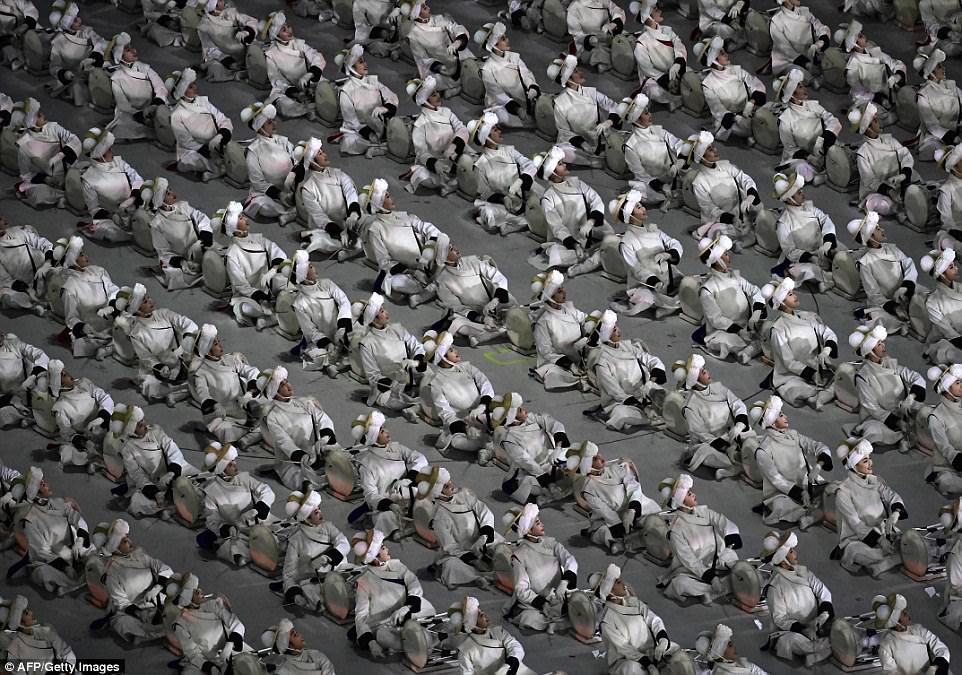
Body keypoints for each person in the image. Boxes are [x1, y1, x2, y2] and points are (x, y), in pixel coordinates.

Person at [657, 474, 742, 604]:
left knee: (733, 559)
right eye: (688, 494)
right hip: (698, 568)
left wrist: (731, 535)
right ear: (680, 501)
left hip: (719, 558)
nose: (693, 494)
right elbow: (688, 559)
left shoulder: (702, 512)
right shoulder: (676, 530)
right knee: (681, 584)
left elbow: (721, 520)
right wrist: (709, 576)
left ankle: (712, 591)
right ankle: (720, 588)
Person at [351, 529, 437, 658]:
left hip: (407, 611)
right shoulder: (364, 582)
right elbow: (361, 615)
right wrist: (370, 642)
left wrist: (407, 607)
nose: (387, 549)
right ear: (375, 557)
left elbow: (413, 582)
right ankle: (419, 646)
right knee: (382, 636)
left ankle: (419, 642)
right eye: (382, 548)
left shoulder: (397, 565)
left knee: (429, 613)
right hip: (386, 622)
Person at [750, 395, 832, 528]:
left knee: (834, 490)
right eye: (781, 415)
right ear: (771, 422)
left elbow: (818, 446)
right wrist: (800, 493)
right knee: (780, 506)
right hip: (785, 493)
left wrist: (818, 466)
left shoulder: (793, 435)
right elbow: (777, 480)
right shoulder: (763, 451)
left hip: (810, 484)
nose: (786, 417)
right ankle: (815, 513)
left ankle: (815, 513)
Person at [832, 438, 906, 577]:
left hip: (882, 530)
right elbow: (857, 526)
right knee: (866, 553)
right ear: (854, 466)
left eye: (870, 458)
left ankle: (889, 561)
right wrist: (880, 541)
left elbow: (892, 496)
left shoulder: (875, 480)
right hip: (856, 539)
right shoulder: (844, 492)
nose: (871, 463)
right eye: (865, 461)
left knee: (906, 542)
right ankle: (889, 561)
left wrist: (896, 513)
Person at [846, 324, 925, 453]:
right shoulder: (863, 376)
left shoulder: (890, 364)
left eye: (882, 343)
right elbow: (873, 408)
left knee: (927, 416)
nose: (884, 346)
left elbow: (917, 377)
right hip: (878, 418)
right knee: (874, 432)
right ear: (870, 351)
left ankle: (906, 434)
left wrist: (911, 397)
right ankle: (903, 436)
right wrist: (897, 422)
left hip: (901, 409)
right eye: (879, 345)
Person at [361, 179, 440, 306]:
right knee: (396, 283)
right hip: (408, 271)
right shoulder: (376, 228)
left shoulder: (403, 216)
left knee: (443, 243)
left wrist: (430, 246)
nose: (391, 198)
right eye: (387, 196)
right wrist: (410, 271)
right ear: (379, 202)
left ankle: (425, 292)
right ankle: (427, 290)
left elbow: (425, 227)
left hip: (427, 260)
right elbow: (384, 261)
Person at [674, 355, 756, 480]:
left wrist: (739, 425)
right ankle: (734, 467)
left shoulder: (719, 387)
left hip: (734, 432)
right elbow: (701, 434)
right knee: (707, 455)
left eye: (705, 369)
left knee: (751, 445)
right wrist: (726, 448)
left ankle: (736, 466)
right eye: (702, 372)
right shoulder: (691, 405)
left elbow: (737, 404)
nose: (707, 372)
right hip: (713, 442)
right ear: (695, 379)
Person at [91, 518, 172, 643]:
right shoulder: (111, 572)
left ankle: (159, 630)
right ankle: (162, 632)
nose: (130, 542)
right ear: (115, 547)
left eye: (128, 537)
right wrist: (140, 614)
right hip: (136, 609)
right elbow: (121, 603)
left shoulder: (139, 554)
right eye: (124, 541)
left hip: (156, 598)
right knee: (121, 623)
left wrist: (158, 587)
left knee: (176, 589)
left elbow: (164, 569)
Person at [533, 146, 611, 277]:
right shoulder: (549, 197)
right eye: (559, 164)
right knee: (556, 256)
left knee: (610, 236)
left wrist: (591, 222)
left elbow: (596, 199)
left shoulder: (576, 183)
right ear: (552, 172)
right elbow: (557, 227)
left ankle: (588, 255)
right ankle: (589, 258)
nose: (564, 164)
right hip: (568, 240)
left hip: (588, 230)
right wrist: (574, 245)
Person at [762, 276, 838, 409]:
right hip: (793, 374)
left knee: (843, 377)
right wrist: (811, 374)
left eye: (793, 292)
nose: (795, 295)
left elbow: (826, 332)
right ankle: (817, 396)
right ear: (781, 302)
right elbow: (788, 362)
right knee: (796, 391)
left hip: (817, 367)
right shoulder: (778, 329)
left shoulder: (806, 316)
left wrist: (827, 350)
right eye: (790, 294)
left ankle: (819, 394)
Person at [196, 442, 277, 566]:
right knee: (237, 551)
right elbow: (211, 520)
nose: (235, 465)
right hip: (240, 530)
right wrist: (227, 529)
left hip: (262, 521)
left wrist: (258, 509)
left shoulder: (244, 478)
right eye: (230, 464)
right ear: (222, 470)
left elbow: (266, 490)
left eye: (234, 461)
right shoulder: (212, 492)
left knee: (283, 535)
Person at [585, 309, 667, 430]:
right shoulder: (602, 361)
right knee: (622, 415)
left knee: (667, 399)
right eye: (614, 330)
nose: (619, 331)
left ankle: (651, 413)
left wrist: (652, 381)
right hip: (621, 401)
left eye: (617, 327)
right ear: (606, 334)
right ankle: (646, 416)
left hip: (643, 391)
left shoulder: (626, 345)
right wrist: (641, 406)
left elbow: (650, 359)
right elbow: (614, 391)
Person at [761, 531, 833, 666]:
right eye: (791, 551)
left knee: (837, 627)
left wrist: (823, 616)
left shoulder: (803, 572)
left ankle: (818, 650)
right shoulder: (775, 587)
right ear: (783, 561)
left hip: (816, 624)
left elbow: (823, 593)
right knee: (792, 640)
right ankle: (820, 649)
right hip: (794, 631)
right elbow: (780, 618)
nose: (795, 554)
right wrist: (803, 629)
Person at [116, 283, 197, 403]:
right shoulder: (136, 333)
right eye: (144, 301)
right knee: (150, 386)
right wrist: (158, 367)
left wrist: (187, 341)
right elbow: (145, 357)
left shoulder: (163, 313)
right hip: (161, 365)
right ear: (137, 309)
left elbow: (186, 323)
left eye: (148, 297)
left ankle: (180, 390)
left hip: (181, 355)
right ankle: (181, 391)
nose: (150, 301)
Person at [504, 503, 579, 633]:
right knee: (531, 619)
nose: (542, 524)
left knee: (587, 605)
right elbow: (521, 589)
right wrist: (542, 603)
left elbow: (570, 560)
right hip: (537, 601)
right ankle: (556, 620)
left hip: (558, 594)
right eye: (537, 523)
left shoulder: (551, 543)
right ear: (528, 530)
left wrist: (564, 582)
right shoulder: (519, 556)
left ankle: (558, 618)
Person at [352, 410, 428, 538]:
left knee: (431, 484)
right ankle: (405, 526)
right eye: (382, 431)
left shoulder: (396, 447)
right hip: (389, 501)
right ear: (374, 438)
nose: (387, 432)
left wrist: (408, 479)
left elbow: (421, 459)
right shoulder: (367, 464)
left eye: (385, 429)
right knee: (385, 517)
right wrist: (390, 505)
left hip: (407, 491)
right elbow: (371, 494)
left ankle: (407, 525)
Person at [260, 366, 338, 490]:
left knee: (342, 461)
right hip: (294, 459)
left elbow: (322, 418)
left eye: (287, 381)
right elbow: (284, 442)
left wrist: (324, 437)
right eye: (282, 385)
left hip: (318, 448)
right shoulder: (273, 417)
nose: (289, 386)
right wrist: (301, 456)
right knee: (301, 479)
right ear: (275, 392)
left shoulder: (304, 402)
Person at [608, 190, 682, 317]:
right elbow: (636, 268)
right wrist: (654, 281)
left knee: (689, 285)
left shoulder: (653, 230)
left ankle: (668, 305)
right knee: (647, 299)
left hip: (667, 276)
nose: (643, 208)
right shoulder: (627, 242)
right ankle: (669, 306)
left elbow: (674, 243)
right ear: (629, 215)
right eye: (638, 207)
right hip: (646, 285)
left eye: (641, 205)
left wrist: (669, 254)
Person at [18, 467, 91, 595]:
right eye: (41, 484)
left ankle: (73, 582)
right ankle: (75, 581)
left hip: (73, 548)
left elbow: (76, 518)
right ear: (36, 493)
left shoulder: (57, 503)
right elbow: (41, 551)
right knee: (41, 573)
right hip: (54, 557)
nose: (46, 484)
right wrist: (65, 567)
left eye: (44, 482)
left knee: (94, 556)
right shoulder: (30, 520)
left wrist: (80, 540)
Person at [117, 405, 199, 518]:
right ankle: (171, 507)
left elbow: (172, 449)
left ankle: (175, 505)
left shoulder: (156, 430)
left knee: (203, 482)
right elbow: (137, 475)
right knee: (137, 501)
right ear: (132, 431)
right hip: (158, 482)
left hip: (179, 469)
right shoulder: (127, 449)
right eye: (140, 425)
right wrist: (155, 493)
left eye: (143, 421)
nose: (145, 425)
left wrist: (172, 472)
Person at [188, 323, 262, 448]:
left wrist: (249, 394)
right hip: (225, 413)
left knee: (269, 410)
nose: (221, 345)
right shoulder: (201, 372)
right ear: (207, 350)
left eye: (219, 341)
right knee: (225, 431)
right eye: (216, 344)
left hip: (241, 404)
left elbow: (252, 371)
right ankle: (252, 434)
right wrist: (214, 405)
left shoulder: (230, 360)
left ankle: (249, 437)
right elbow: (203, 393)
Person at [422, 470, 498, 590]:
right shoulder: (439, 518)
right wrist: (473, 560)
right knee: (450, 565)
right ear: (439, 493)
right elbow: (450, 546)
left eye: (450, 482)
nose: (452, 485)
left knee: (500, 546)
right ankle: (476, 577)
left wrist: (484, 535)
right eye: (446, 486)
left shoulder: (464, 496)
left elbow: (484, 511)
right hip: (459, 552)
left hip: (479, 540)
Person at [697, 234, 766, 364]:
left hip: (747, 324)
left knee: (769, 330)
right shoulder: (708, 289)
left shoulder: (734, 277)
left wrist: (756, 313)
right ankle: (749, 350)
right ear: (717, 260)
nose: (729, 257)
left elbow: (755, 291)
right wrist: (739, 331)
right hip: (726, 330)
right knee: (725, 341)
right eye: (726, 254)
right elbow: (716, 319)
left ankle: (749, 348)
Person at [432, 238, 514, 347]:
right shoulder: (442, 281)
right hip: (479, 314)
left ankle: (491, 333)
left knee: (514, 313)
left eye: (453, 245)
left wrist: (495, 300)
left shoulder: (472, 261)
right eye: (451, 249)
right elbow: (458, 307)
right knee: (457, 324)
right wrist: (482, 318)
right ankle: (500, 329)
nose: (456, 248)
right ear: (444, 257)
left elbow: (498, 277)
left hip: (500, 303)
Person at [280, 487, 351, 612]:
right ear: (307, 518)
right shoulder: (296, 540)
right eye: (316, 512)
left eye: (319, 510)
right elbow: (288, 574)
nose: (321, 514)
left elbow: (344, 543)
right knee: (307, 587)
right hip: (318, 579)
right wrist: (295, 594)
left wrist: (328, 557)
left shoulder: (328, 527)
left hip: (340, 570)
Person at [493, 393, 571, 505]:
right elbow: (527, 462)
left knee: (577, 461)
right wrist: (547, 482)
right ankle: (550, 494)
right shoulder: (509, 440)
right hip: (535, 472)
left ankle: (554, 493)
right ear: (513, 417)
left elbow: (554, 424)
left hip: (553, 459)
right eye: (520, 410)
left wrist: (558, 448)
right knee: (526, 486)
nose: (525, 409)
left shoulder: (531, 418)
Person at [422, 330, 493, 453]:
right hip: (465, 420)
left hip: (484, 410)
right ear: (443, 358)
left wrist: (482, 406)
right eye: (451, 350)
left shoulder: (466, 367)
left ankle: (490, 443)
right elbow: (445, 412)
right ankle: (486, 445)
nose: (456, 351)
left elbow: (484, 383)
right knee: (457, 442)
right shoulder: (436, 383)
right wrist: (465, 428)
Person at [578, 448, 660, 554]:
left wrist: (633, 509)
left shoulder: (614, 469)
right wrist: (622, 530)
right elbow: (606, 512)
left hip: (636, 506)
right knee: (605, 531)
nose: (600, 457)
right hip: (615, 516)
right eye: (595, 458)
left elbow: (633, 485)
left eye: (598, 454)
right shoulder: (589, 489)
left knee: (658, 520)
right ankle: (608, 540)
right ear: (589, 467)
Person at [599, 565, 678, 673]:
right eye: (618, 583)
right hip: (628, 659)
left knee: (676, 652)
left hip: (650, 651)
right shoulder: (607, 621)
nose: (623, 584)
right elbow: (624, 648)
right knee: (631, 669)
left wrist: (662, 639)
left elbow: (653, 619)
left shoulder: (633, 602)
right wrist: (649, 665)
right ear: (610, 593)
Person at [848, 212, 918, 334]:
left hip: (905, 293)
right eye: (878, 229)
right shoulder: (865, 262)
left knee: (924, 301)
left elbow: (909, 264)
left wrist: (906, 286)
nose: (883, 230)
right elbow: (873, 293)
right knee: (879, 318)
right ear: (870, 237)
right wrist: (893, 307)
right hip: (887, 301)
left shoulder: (892, 248)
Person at [223, 200, 287, 330]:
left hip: (268, 285)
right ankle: (272, 316)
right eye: (240, 218)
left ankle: (269, 316)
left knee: (289, 282)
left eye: (243, 216)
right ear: (233, 226)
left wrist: (273, 270)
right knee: (245, 309)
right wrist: (259, 297)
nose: (245, 218)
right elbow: (241, 285)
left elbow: (277, 252)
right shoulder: (232, 253)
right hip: (248, 295)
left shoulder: (259, 239)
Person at [467, 112, 535, 236]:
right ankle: (512, 224)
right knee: (489, 212)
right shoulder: (480, 164)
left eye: (498, 128)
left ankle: (514, 224)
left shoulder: (510, 151)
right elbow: (484, 193)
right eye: (495, 129)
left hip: (523, 196)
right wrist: (502, 198)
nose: (500, 131)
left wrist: (520, 181)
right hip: (503, 204)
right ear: (486, 136)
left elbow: (530, 165)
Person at [293, 138, 362, 258]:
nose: (325, 154)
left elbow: (350, 191)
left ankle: (347, 248)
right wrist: (338, 232)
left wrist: (354, 212)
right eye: (320, 154)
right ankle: (346, 247)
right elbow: (320, 217)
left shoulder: (337, 173)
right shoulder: (308, 188)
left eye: (323, 151)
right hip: (329, 224)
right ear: (312, 161)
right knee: (352, 242)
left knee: (371, 229)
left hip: (349, 219)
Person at [168, 573, 249, 675]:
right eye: (196, 592)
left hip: (233, 649)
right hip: (209, 659)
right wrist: (210, 668)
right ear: (188, 600)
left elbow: (236, 623)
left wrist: (230, 644)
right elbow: (192, 653)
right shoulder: (180, 624)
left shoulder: (213, 605)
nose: (201, 591)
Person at [688, 132, 761, 243]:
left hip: (740, 210)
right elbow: (710, 210)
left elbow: (744, 178)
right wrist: (732, 219)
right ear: (701, 157)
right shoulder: (700, 182)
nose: (715, 150)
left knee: (761, 216)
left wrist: (751, 195)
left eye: (713, 147)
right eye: (710, 150)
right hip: (721, 219)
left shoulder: (726, 165)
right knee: (722, 233)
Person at [546, 55, 618, 169]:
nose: (580, 72)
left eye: (578, 69)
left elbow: (613, 106)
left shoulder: (591, 92)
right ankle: (593, 161)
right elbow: (564, 131)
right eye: (575, 71)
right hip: (581, 144)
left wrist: (609, 121)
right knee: (559, 151)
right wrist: (582, 143)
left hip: (603, 139)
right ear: (568, 79)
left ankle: (598, 157)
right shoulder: (560, 103)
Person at [772, 171, 839, 293]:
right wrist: (811, 258)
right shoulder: (783, 224)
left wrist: (828, 242)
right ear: (790, 199)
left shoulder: (810, 209)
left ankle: (830, 275)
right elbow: (790, 251)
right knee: (802, 271)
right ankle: (828, 278)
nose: (802, 193)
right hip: (805, 258)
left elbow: (825, 220)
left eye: (801, 190)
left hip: (822, 248)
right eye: (798, 193)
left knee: (841, 254)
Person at [40, 360, 113, 469]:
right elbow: (67, 433)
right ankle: (96, 461)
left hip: (106, 421)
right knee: (68, 452)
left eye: (65, 372)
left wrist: (103, 417)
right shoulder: (61, 408)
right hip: (91, 435)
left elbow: (104, 397)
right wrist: (84, 442)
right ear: (59, 384)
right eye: (64, 375)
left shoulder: (83, 383)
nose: (69, 375)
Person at [849, 101, 917, 216]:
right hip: (878, 191)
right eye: (875, 121)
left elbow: (906, 156)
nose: (878, 122)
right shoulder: (864, 153)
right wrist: (889, 191)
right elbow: (870, 181)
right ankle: (898, 210)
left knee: (916, 192)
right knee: (884, 205)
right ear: (868, 128)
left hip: (898, 184)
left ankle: (903, 204)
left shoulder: (890, 140)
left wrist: (903, 176)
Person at [145, 178, 213, 290]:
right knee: (176, 276)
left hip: (200, 246)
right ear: (160, 200)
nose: (172, 193)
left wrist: (203, 240)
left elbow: (201, 217)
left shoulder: (183, 206)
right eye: (167, 193)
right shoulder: (157, 224)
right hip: (184, 258)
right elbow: (163, 251)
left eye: (170, 190)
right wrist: (182, 263)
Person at [773, 71, 840, 185]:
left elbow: (832, 120)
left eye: (803, 85)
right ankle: (823, 175)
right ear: (792, 93)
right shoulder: (785, 119)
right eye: (800, 87)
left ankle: (822, 173)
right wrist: (809, 157)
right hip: (802, 157)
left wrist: (827, 135)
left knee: (840, 156)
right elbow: (790, 149)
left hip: (822, 148)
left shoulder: (813, 105)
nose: (805, 89)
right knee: (802, 168)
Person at [695, 37, 766, 143]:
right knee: (749, 128)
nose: (726, 55)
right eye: (722, 54)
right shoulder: (708, 85)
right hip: (733, 120)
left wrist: (752, 102)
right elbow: (718, 110)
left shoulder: (736, 70)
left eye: (724, 52)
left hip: (750, 110)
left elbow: (755, 84)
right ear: (714, 59)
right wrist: (736, 118)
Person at [290, 255, 353, 375]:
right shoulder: (299, 303)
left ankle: (338, 358)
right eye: (310, 266)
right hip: (322, 338)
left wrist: (342, 327)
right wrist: (327, 343)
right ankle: (333, 362)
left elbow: (344, 301)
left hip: (340, 330)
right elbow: (309, 330)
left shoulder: (327, 284)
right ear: (303, 275)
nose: (314, 266)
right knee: (318, 354)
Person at [166, 68, 232, 182]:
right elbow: (186, 142)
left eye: (194, 84)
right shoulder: (176, 114)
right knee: (192, 161)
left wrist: (221, 135)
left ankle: (219, 169)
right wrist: (209, 152)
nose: (195, 88)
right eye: (190, 87)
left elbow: (222, 118)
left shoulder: (203, 101)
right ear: (182, 92)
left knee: (234, 152)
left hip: (215, 143)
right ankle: (218, 169)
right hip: (195, 150)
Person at [78, 127, 143, 243]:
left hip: (136, 204)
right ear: (100, 155)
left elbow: (137, 179)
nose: (111, 151)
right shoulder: (88, 179)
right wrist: (112, 215)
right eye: (108, 150)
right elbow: (94, 209)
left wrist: (133, 197)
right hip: (115, 217)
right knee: (109, 232)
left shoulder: (119, 162)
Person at [403, 75, 465, 196]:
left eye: (437, 92)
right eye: (433, 95)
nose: (438, 96)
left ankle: (452, 182)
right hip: (436, 165)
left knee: (473, 163)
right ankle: (453, 183)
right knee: (422, 176)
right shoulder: (420, 124)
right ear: (425, 100)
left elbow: (461, 128)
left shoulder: (447, 112)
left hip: (454, 156)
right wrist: (435, 164)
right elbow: (421, 152)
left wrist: (455, 146)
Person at [15, 98, 80, 209]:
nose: (42, 115)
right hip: (48, 180)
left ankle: (65, 194)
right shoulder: (24, 146)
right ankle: (64, 196)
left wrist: (60, 156)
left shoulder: (54, 128)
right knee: (36, 194)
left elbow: (75, 141)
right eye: (38, 115)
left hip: (68, 167)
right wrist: (46, 179)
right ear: (31, 122)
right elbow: (26, 175)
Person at [620, 93, 685, 206]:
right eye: (646, 113)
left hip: (674, 175)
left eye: (648, 111)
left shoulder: (658, 131)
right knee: (641, 191)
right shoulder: (630, 145)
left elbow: (680, 145)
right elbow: (641, 175)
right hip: (653, 183)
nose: (650, 115)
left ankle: (674, 194)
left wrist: (679, 162)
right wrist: (661, 185)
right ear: (636, 119)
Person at [60, 238, 119, 360]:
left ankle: (108, 346)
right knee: (83, 344)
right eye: (81, 254)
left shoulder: (98, 271)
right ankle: (110, 346)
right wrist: (83, 328)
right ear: (73, 259)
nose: (86, 256)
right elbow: (71, 317)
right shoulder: (70, 287)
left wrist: (112, 304)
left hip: (112, 317)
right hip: (93, 328)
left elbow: (113, 289)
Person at [336, 44, 398, 159]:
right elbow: (351, 120)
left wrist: (386, 108)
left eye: (364, 61)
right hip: (360, 129)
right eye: (360, 62)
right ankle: (379, 147)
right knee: (349, 143)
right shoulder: (346, 91)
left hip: (380, 123)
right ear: (351, 67)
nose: (365, 64)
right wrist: (369, 134)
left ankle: (377, 146)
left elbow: (391, 96)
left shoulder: (372, 81)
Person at [532, 271, 590, 392]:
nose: (564, 292)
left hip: (580, 354)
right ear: (550, 296)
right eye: (559, 291)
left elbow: (585, 319)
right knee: (552, 375)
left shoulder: (569, 308)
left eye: (563, 289)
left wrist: (593, 328)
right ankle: (576, 379)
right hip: (561, 361)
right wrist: (568, 364)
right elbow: (546, 352)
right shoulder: (544, 322)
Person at [241, 101, 297, 226]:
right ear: (260, 127)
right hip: (269, 195)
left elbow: (296, 160)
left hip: (291, 188)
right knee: (262, 206)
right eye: (269, 122)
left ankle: (293, 209)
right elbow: (258, 183)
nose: (274, 124)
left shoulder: (283, 141)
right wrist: (279, 194)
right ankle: (289, 212)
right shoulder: (253, 151)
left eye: (274, 120)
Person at [474, 22, 539, 128]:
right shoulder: (487, 69)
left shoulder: (514, 57)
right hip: (501, 102)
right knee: (503, 118)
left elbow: (526, 73)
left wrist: (532, 87)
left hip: (522, 95)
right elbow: (498, 95)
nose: (508, 40)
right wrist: (517, 109)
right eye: (503, 39)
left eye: (506, 37)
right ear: (494, 45)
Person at [261, 11, 324, 120]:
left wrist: (309, 75)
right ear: (276, 35)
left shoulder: (298, 43)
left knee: (328, 90)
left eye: (288, 27)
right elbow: (276, 79)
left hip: (308, 81)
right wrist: (294, 93)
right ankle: (307, 109)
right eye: (283, 30)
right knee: (283, 105)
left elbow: (317, 56)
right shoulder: (271, 54)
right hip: (288, 87)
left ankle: (313, 104)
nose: (289, 31)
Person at [835, 22, 905, 119]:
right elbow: (865, 91)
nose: (864, 36)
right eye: (860, 36)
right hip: (867, 97)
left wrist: (898, 74)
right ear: (854, 45)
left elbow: (891, 62)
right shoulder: (852, 68)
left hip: (887, 90)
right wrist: (880, 96)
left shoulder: (871, 49)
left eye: (861, 34)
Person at [106, 32, 168, 142]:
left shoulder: (145, 68)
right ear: (120, 55)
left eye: (132, 47)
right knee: (122, 126)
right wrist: (139, 115)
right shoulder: (117, 77)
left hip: (154, 105)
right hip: (134, 112)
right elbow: (122, 103)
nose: (134, 51)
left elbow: (160, 85)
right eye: (128, 50)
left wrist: (157, 102)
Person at [403, 0, 471, 98]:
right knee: (428, 85)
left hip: (459, 55)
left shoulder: (438, 19)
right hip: (442, 66)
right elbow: (421, 58)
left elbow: (456, 28)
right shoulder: (414, 34)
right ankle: (453, 89)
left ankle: (455, 87)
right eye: (425, 8)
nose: (429, 8)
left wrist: (459, 41)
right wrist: (440, 68)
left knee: (471, 71)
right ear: (417, 14)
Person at [454, 596, 537, 675]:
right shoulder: (465, 651)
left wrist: (513, 660)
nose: (485, 614)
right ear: (473, 624)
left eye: (482, 611)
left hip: (515, 670)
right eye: (481, 615)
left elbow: (514, 645)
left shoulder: (497, 631)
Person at [874, 593, 952, 674]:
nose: (908, 615)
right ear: (898, 624)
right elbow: (891, 672)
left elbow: (942, 649)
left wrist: (935, 667)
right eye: (904, 614)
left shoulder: (919, 630)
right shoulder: (886, 647)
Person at [47, 1, 106, 107]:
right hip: (74, 76)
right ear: (67, 25)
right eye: (75, 20)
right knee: (80, 97)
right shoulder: (58, 41)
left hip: (91, 69)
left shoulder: (86, 31)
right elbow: (54, 66)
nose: (79, 20)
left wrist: (94, 57)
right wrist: (65, 73)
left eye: (77, 17)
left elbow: (101, 42)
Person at [630, 0, 686, 111]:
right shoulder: (642, 43)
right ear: (648, 17)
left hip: (674, 70)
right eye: (656, 9)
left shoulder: (667, 30)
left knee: (691, 77)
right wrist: (666, 81)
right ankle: (675, 98)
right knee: (654, 91)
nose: (660, 10)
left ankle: (676, 97)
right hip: (656, 78)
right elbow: (648, 70)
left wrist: (678, 62)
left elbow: (679, 45)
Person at [0, 216, 53, 316]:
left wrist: (48, 261)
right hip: (28, 282)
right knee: (7, 296)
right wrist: (23, 288)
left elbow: (42, 243)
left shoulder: (17, 231)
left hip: (45, 267)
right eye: (0, 219)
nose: (4, 219)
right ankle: (33, 306)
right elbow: (4, 279)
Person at [914, 49, 961, 161]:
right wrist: (951, 137)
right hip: (936, 137)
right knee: (942, 152)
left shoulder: (950, 85)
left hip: (956, 131)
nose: (943, 69)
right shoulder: (923, 95)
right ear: (931, 73)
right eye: (939, 67)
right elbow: (932, 126)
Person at [0, 595, 76, 662]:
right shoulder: (10, 643)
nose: (31, 612)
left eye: (28, 610)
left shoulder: (45, 629)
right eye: (26, 613)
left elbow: (67, 655)